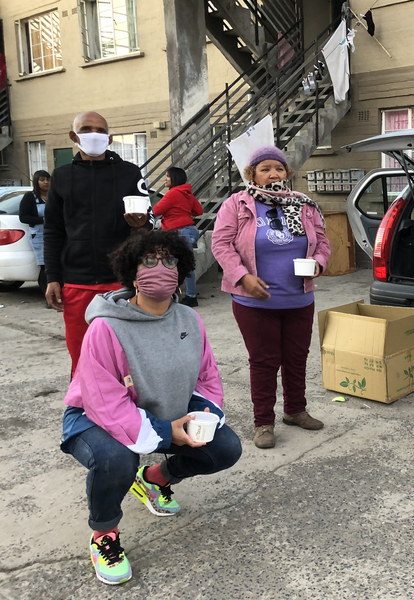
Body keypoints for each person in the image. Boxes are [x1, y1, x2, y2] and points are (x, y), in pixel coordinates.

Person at [60, 230, 242, 585]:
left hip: (166, 410)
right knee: (116, 460)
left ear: (181, 268)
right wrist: (163, 431)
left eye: (169, 260)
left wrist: (203, 415)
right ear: (131, 270)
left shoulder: (189, 320)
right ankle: (105, 535)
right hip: (94, 419)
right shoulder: (105, 328)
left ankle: (154, 480)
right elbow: (104, 400)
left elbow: (207, 376)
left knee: (224, 448)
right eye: (148, 260)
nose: (160, 268)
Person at [211, 145, 330, 450]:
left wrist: (319, 262)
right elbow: (221, 244)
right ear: (252, 174)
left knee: (296, 358)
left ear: (286, 173)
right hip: (255, 302)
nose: (273, 174)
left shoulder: (304, 204)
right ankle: (263, 422)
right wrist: (242, 276)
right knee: (264, 362)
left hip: (299, 299)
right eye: (265, 169)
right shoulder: (237, 205)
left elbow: (322, 242)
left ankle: (295, 410)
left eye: (278, 168)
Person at [44, 111, 152, 375]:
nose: (95, 134)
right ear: (74, 136)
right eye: (87, 129)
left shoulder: (129, 173)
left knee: (126, 360)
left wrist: (140, 226)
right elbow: (53, 230)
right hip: (76, 282)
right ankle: (83, 413)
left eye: (101, 130)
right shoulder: (61, 176)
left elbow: (149, 223)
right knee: (82, 360)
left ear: (110, 138)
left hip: (121, 281)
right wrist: (52, 277)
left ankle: (129, 414)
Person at [153, 166, 204, 307]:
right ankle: (187, 295)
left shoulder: (172, 193)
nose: (165, 179)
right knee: (185, 265)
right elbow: (198, 211)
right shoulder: (187, 193)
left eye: (167, 176)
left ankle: (185, 296)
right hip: (189, 231)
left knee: (172, 264)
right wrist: (182, 210)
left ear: (174, 178)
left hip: (177, 232)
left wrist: (174, 212)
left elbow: (157, 209)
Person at [18, 169, 50, 291]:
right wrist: (43, 220)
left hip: (56, 234)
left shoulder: (54, 196)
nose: (46, 182)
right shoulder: (29, 197)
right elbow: (23, 217)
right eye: (42, 180)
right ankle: (47, 294)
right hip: (39, 236)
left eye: (48, 179)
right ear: (36, 182)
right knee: (45, 266)